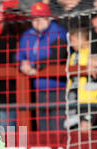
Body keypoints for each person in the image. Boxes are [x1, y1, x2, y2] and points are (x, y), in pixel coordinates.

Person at [17, 1, 68, 131]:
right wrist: (22, 65)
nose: (38, 21)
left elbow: (58, 56)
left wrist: (36, 66)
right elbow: (18, 57)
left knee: (57, 130)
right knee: (42, 130)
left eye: (41, 17)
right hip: (37, 91)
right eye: (35, 18)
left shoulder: (59, 32)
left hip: (58, 90)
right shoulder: (28, 35)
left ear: (48, 17)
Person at [66, 27, 97, 131]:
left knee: (86, 129)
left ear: (84, 39)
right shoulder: (73, 55)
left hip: (92, 100)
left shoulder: (94, 53)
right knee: (74, 129)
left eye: (73, 40)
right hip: (75, 101)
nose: (71, 44)